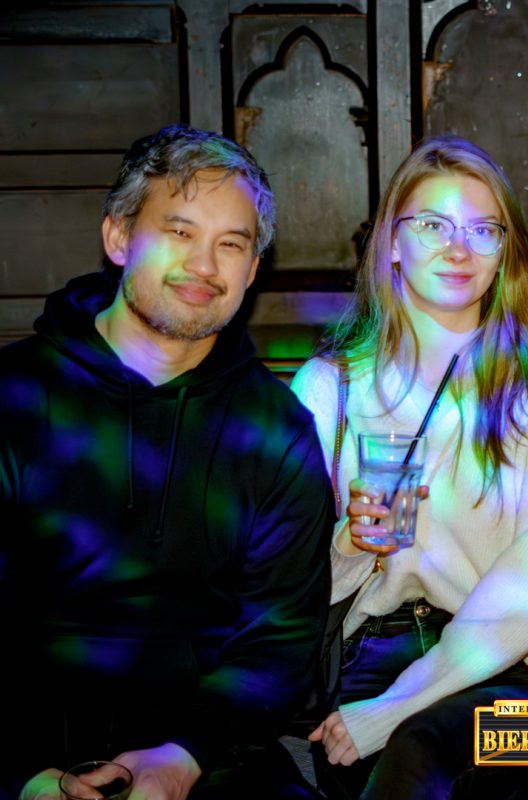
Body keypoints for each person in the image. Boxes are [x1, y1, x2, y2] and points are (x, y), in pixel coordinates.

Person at [0, 124, 334, 799]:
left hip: (205, 752)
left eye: (231, 244)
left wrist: (183, 756)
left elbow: (280, 637)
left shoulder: (276, 430)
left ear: (252, 270)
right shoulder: (14, 396)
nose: (204, 266)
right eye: (180, 232)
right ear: (119, 237)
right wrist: (24, 776)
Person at [289, 136, 528, 800]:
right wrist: (351, 543)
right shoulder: (328, 388)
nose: (459, 249)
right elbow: (284, 582)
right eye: (433, 225)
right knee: (384, 771)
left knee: (424, 752)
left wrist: (398, 707)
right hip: (374, 651)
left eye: (483, 230)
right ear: (391, 243)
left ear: (504, 255)